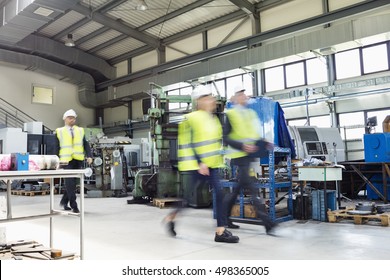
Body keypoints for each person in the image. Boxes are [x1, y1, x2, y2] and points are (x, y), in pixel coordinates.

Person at [163, 85, 239, 243]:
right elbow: (189, 141)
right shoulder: (192, 118)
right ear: (199, 101)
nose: (212, 100)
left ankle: (220, 232)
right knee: (187, 200)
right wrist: (200, 162)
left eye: (211, 97)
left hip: (212, 165)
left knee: (219, 194)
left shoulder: (213, 119)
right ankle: (171, 217)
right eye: (208, 97)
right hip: (197, 166)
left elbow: (216, 142)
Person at [223, 85, 276, 234]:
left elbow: (253, 134)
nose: (245, 97)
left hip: (249, 156)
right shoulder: (231, 114)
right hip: (238, 156)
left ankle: (224, 217)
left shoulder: (250, 114)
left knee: (238, 189)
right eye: (242, 95)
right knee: (252, 189)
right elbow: (226, 137)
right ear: (236, 97)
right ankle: (267, 223)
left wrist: (264, 142)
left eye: (245, 95)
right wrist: (242, 146)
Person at [55, 109, 93, 213]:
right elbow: (55, 147)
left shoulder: (80, 130)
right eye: (70, 118)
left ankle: (64, 202)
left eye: (74, 118)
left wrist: (89, 155)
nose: (72, 120)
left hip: (77, 160)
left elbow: (85, 144)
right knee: (70, 183)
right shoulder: (59, 131)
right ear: (65, 119)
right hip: (65, 161)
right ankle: (74, 205)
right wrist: (55, 161)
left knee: (73, 183)